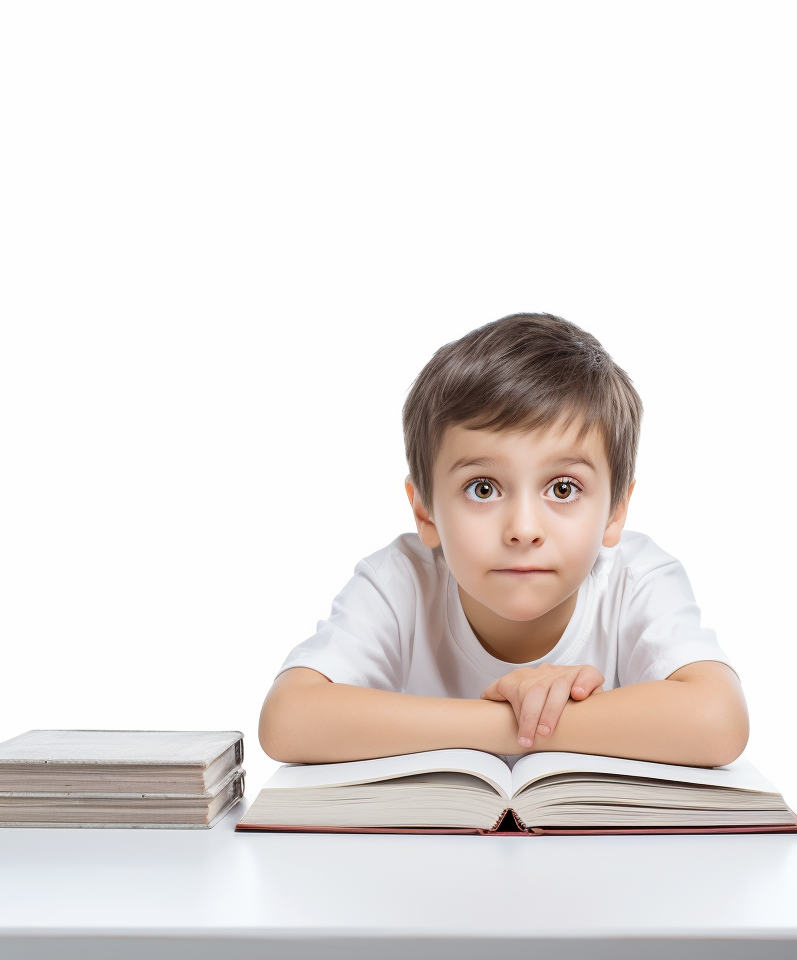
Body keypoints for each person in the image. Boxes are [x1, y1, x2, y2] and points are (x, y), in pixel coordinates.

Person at [258, 313, 748, 768]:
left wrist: (529, 722)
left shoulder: (637, 577)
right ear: (424, 510)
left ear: (616, 510)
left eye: (563, 488)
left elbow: (718, 720)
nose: (523, 529)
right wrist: (517, 723)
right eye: (484, 489)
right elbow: (288, 720)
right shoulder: (400, 580)